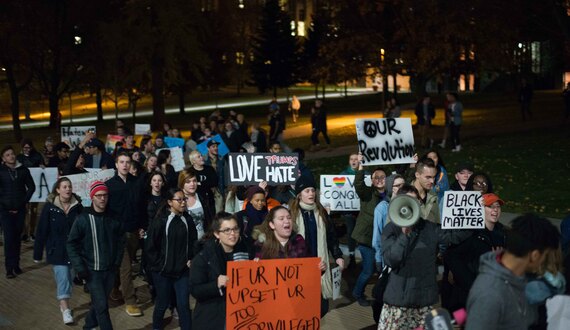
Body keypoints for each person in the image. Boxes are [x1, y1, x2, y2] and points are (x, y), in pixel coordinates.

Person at [379, 185, 471, 330]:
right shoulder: (391, 229)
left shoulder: (429, 228)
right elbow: (391, 259)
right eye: (408, 201)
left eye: (415, 201)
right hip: (399, 302)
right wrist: (404, 235)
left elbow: (454, 236)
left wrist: (472, 219)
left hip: (423, 301)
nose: (412, 205)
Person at [466, 214, 560, 330]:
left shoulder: (522, 277)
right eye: (545, 256)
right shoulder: (489, 294)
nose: (544, 262)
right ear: (535, 256)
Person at [66, 181, 124, 330]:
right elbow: (71, 244)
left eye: (105, 195)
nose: (102, 199)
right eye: (99, 196)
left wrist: (117, 263)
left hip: (110, 270)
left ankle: (89, 326)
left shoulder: (114, 218)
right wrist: (80, 268)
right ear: (92, 197)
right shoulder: (83, 219)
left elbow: (120, 241)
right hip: (92, 271)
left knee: (100, 303)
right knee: (103, 307)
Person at [290, 175, 344, 316]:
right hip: (300, 267)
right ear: (299, 194)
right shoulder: (292, 214)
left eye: (313, 190)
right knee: (302, 307)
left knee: (321, 308)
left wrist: (337, 256)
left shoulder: (321, 212)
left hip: (320, 266)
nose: (311, 194)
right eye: (307, 191)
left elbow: (331, 236)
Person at [444, 193, 507, 312]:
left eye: (498, 206)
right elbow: (451, 255)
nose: (495, 209)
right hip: (467, 299)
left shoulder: (503, 234)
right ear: (480, 209)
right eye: (490, 206)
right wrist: (471, 284)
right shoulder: (470, 233)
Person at [146, 188, 197, 330]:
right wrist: (159, 266)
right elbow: (150, 247)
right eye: (179, 200)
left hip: (182, 272)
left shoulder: (188, 219)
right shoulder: (160, 221)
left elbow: (194, 241)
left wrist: (191, 258)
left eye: (184, 199)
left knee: (183, 306)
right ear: (169, 202)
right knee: (162, 305)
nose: (182, 203)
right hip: (162, 273)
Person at [33, 177, 83, 325]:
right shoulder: (49, 208)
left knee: (70, 277)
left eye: (70, 186)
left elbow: (83, 229)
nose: (68, 189)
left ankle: (64, 301)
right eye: (65, 186)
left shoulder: (78, 207)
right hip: (57, 250)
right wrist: (37, 253)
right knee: (63, 277)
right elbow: (42, 230)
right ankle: (65, 308)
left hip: (74, 251)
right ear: (58, 190)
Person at [190, 212, 251, 330]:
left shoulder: (246, 250)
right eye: (227, 230)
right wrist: (215, 285)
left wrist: (256, 267)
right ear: (217, 234)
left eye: (235, 229)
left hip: (241, 314)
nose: (232, 234)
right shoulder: (203, 257)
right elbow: (195, 290)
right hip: (214, 317)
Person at [105, 152, 143, 317]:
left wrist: (142, 226)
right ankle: (131, 301)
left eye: (128, 162)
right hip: (118, 234)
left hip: (134, 231)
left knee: (121, 268)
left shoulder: (137, 183)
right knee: (126, 268)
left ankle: (114, 289)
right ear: (116, 164)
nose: (125, 165)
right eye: (122, 162)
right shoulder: (109, 185)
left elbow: (141, 206)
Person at [351, 154, 388, 306]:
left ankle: (382, 294)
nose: (379, 179)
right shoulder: (367, 193)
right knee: (369, 270)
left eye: (383, 177)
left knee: (382, 269)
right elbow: (358, 184)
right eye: (376, 177)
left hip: (383, 238)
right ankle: (357, 293)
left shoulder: (392, 195)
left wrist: (413, 165)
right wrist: (361, 166)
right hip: (366, 238)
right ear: (372, 180)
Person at [0, 145, 35, 278]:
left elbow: (31, 187)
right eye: (8, 155)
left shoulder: (23, 170)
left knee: (17, 238)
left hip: (20, 210)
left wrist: (23, 202)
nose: (11, 156)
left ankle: (16, 265)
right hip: (5, 211)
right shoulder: (1, 170)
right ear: (3, 158)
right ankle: (9, 269)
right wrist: (4, 205)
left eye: (12, 154)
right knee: (9, 239)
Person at [372, 174, 405, 271]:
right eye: (398, 185)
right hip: (390, 257)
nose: (402, 188)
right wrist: (378, 259)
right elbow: (377, 238)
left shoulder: (409, 204)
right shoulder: (382, 208)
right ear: (391, 188)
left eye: (403, 184)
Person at [178, 169, 213, 240]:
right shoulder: (177, 200)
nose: (192, 184)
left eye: (194, 181)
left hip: (204, 241)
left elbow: (209, 220)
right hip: (187, 243)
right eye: (188, 182)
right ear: (182, 183)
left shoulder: (202, 197)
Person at [188, 150, 218, 215]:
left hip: (209, 199)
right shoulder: (190, 171)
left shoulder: (209, 169)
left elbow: (215, 182)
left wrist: (200, 183)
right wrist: (206, 183)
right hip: (196, 200)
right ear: (193, 161)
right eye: (198, 157)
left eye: (201, 155)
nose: (202, 158)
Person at [412, 158, 440, 223]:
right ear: (417, 175)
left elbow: (437, 221)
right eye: (428, 177)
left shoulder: (433, 195)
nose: (432, 181)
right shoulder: (404, 194)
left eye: (434, 177)